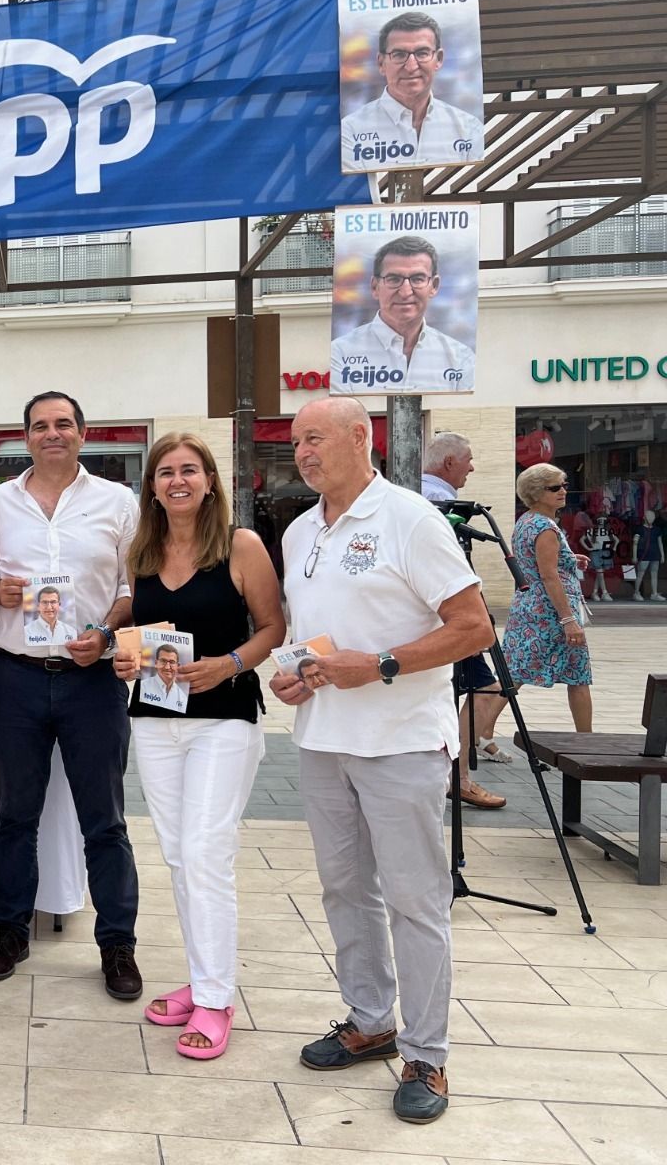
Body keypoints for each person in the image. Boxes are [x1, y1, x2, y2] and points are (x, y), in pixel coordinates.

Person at [270, 396, 492, 1125]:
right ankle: (370, 1020)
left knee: (416, 901)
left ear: (360, 440)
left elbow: (474, 628)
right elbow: (320, 636)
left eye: (315, 439)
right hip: (323, 740)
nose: (302, 452)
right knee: (344, 891)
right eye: (296, 441)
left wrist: (387, 665)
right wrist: (294, 674)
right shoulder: (302, 529)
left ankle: (427, 1054)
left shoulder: (411, 518)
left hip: (400, 741)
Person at [114, 431, 284, 1061]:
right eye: (165, 473)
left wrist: (230, 663)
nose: (177, 481)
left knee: (208, 853)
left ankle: (216, 998)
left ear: (210, 480)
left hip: (224, 718)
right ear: (151, 487)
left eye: (189, 470)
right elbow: (134, 634)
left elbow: (273, 626)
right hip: (156, 721)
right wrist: (122, 661)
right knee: (181, 857)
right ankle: (202, 976)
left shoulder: (240, 545)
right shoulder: (142, 550)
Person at [0, 391, 143, 1001]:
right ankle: (10, 930)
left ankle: (117, 944)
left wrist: (105, 632)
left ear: (82, 432)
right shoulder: (0, 501)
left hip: (90, 680)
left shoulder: (117, 502)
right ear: (25, 436)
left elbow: (131, 585)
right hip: (16, 675)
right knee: (14, 815)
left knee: (106, 820)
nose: (52, 434)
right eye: (40, 425)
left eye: (63, 424)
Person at [422, 432, 508, 810]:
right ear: (449, 462)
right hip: (447, 616)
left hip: (436, 616)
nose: (473, 467)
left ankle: (451, 773)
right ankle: (456, 776)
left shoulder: (415, 495)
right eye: (468, 459)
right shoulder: (438, 503)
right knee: (489, 687)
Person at [505, 465, 594, 736]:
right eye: (555, 487)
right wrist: (569, 620)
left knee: (512, 677)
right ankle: (586, 740)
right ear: (536, 492)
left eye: (564, 485)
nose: (563, 491)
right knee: (578, 677)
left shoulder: (527, 521)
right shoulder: (545, 528)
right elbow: (549, 576)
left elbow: (533, 562)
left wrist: (569, 558)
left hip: (528, 609)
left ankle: (480, 734)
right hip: (550, 613)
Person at [340, 10, 483, 172]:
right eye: (399, 54)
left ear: (439, 59)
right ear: (381, 63)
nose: (411, 67)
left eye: (422, 53)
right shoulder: (351, 130)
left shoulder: (469, 129)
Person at [330, 235, 474, 394]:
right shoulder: (340, 354)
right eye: (394, 279)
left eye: (417, 279)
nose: (405, 292)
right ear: (374, 287)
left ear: (434, 286)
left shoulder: (461, 358)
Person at [140, 643, 187, 713]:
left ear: (178, 666)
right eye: (163, 661)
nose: (167, 667)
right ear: (156, 663)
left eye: (172, 662)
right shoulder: (143, 687)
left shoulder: (182, 697)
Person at [633, 509, 665, 600]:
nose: (650, 518)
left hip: (655, 555)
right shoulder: (639, 529)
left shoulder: (657, 530)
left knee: (654, 574)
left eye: (652, 516)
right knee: (640, 574)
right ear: (644, 517)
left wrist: (662, 555)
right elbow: (635, 543)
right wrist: (634, 556)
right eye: (648, 516)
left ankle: (654, 593)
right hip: (643, 554)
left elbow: (660, 543)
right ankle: (636, 592)